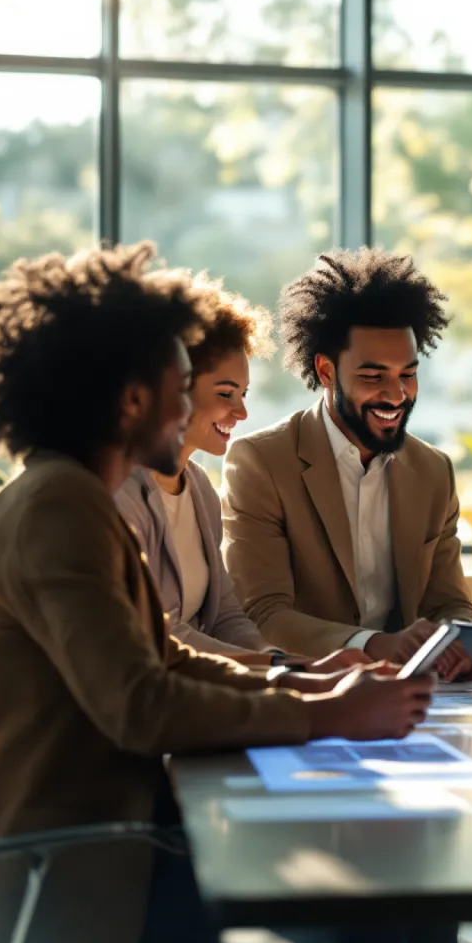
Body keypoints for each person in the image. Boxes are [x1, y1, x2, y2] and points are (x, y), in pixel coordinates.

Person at [0, 243, 460, 943]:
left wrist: (310, 686)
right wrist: (326, 714)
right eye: (182, 389)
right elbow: (143, 706)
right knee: (377, 907)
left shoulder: (70, 498)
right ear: (130, 400)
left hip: (122, 835)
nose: (193, 410)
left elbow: (164, 655)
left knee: (398, 893)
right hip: (93, 873)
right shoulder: (60, 509)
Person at [221, 248, 472, 674]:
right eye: (373, 376)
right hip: (310, 689)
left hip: (410, 695)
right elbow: (263, 613)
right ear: (325, 371)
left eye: (408, 374)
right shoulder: (261, 463)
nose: (396, 396)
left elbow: (449, 604)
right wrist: (373, 645)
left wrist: (460, 639)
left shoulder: (434, 471)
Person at [117, 280, 369, 675]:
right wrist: (283, 668)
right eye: (225, 393)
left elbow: (227, 619)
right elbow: (162, 635)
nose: (241, 413)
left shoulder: (199, 488)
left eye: (244, 395)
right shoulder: (118, 494)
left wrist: (286, 663)